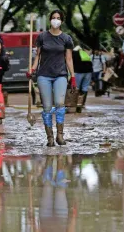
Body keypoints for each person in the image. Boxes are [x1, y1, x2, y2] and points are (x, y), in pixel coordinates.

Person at [28, 10, 75, 147]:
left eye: (58, 18)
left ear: (62, 21)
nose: (56, 20)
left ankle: (60, 135)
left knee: (60, 104)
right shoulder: (42, 37)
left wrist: (73, 76)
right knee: (47, 107)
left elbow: (69, 59)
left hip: (60, 75)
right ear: (50, 20)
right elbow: (38, 57)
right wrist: (32, 69)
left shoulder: (67, 39)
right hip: (44, 75)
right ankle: (50, 137)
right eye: (53, 18)